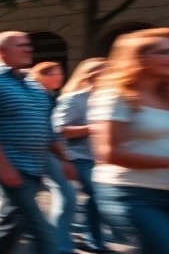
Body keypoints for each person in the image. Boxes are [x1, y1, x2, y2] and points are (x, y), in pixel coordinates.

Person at [89, 28, 169, 253]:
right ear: (140, 58)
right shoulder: (116, 96)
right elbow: (108, 153)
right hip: (131, 193)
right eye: (167, 52)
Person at [0, 31, 73, 254]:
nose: (29, 49)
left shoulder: (34, 85)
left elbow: (46, 126)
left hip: (35, 167)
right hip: (11, 167)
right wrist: (4, 165)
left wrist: (64, 158)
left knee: (11, 226)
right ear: (1, 52)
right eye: (20, 45)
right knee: (43, 232)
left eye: (28, 44)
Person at [51, 58, 111, 253]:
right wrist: (92, 128)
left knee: (97, 198)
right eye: (107, 73)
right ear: (92, 77)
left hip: (100, 158)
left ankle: (89, 234)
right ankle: (89, 238)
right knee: (95, 194)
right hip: (75, 155)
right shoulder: (74, 99)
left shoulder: (111, 99)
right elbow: (59, 129)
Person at [30, 61, 77, 254]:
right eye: (57, 74)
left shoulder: (48, 96)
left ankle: (58, 244)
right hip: (41, 152)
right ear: (43, 75)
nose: (61, 77)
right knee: (66, 196)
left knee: (66, 197)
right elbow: (47, 131)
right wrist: (64, 157)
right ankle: (57, 244)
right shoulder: (38, 96)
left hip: (46, 152)